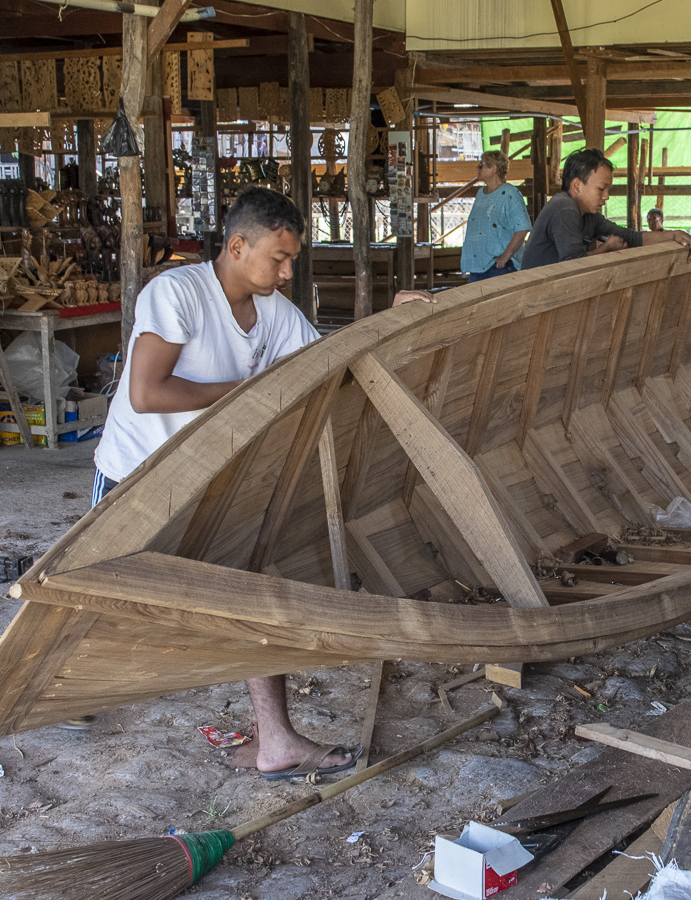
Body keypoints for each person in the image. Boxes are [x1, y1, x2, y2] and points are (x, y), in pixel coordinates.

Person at [88, 187, 433, 779]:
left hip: (212, 482)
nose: (288, 270)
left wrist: (389, 322)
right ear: (238, 245)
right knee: (98, 604)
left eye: (291, 258)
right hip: (137, 479)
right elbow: (147, 394)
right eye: (278, 257)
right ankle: (57, 690)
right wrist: (251, 396)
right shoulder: (179, 293)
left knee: (248, 589)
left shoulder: (273, 311)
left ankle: (276, 740)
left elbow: (323, 362)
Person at [522, 148, 691, 270]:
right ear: (577, 185)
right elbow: (573, 265)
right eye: (601, 189)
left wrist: (674, 235)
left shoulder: (589, 215)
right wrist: (605, 250)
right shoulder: (564, 209)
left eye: (608, 190)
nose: (606, 196)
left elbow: (632, 237)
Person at [461, 150, 532, 282]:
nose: (478, 168)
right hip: (478, 265)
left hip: (498, 266)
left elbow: (522, 228)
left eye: (481, 165)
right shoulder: (481, 194)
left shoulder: (510, 194)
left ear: (493, 169)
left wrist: (505, 256)